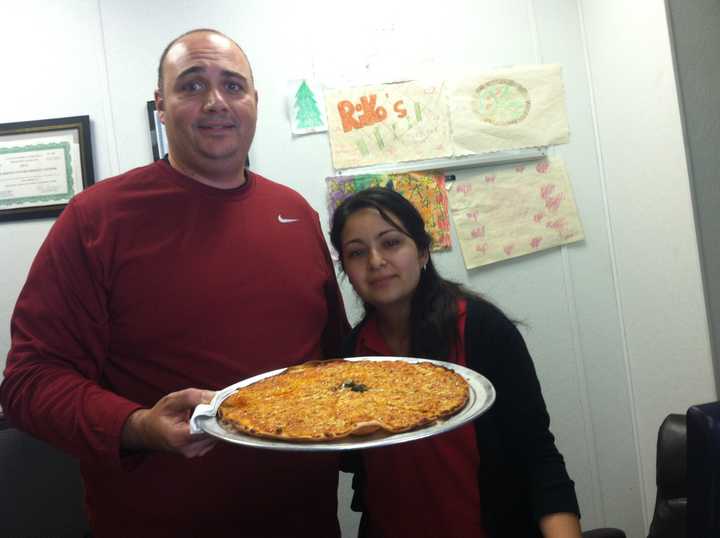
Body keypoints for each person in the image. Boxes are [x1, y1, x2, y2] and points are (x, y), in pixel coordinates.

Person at [0, 29, 349, 537]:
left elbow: (332, 355)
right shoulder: (97, 219)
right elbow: (29, 383)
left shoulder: (293, 211)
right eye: (191, 86)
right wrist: (138, 425)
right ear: (161, 106)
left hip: (305, 518)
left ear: (253, 100)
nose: (216, 102)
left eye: (233, 86)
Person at [330, 187, 582, 538]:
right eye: (357, 252)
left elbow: (537, 455)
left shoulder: (481, 329)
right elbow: (355, 464)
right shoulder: (352, 355)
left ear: (421, 252)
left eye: (390, 243)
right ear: (346, 269)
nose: (375, 261)